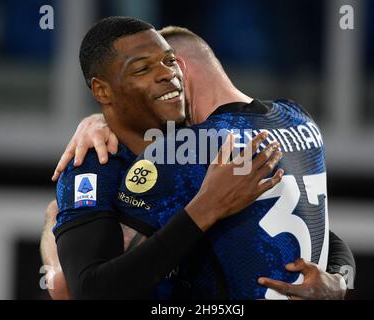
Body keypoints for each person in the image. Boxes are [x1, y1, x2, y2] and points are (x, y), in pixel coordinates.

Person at [42, 17, 354, 300]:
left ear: (181, 67)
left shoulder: (188, 151)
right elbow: (72, 286)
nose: (165, 74)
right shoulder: (296, 119)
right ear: (103, 90)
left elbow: (71, 289)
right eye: (143, 68)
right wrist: (340, 280)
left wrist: (53, 220)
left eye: (168, 62)